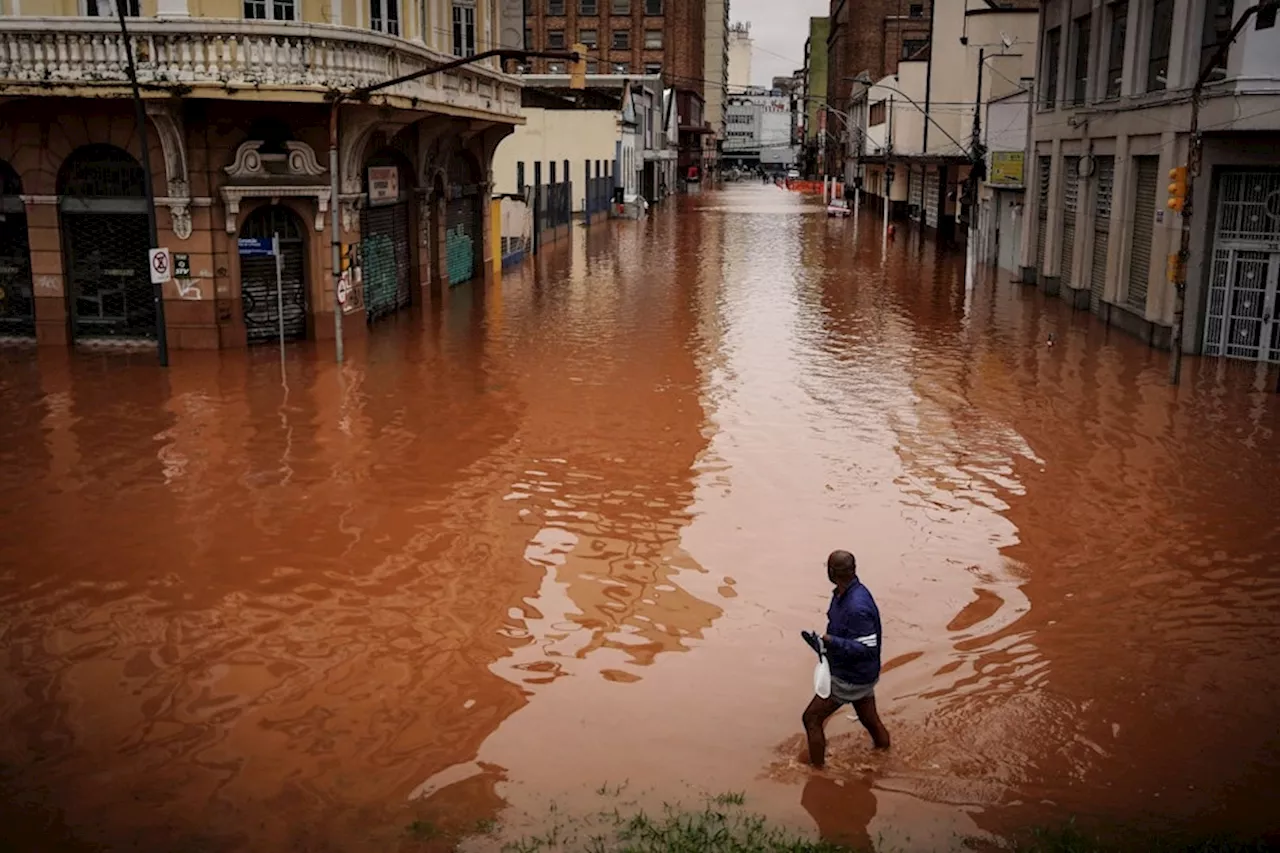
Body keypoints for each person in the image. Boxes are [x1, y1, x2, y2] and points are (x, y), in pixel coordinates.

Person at [802, 550, 891, 766]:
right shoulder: (843, 594)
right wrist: (823, 645)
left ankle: (817, 773)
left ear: (832, 572)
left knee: (812, 718)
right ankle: (885, 754)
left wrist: (832, 642)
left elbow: (868, 648)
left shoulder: (857, 606)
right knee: (869, 719)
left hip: (851, 676)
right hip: (858, 671)